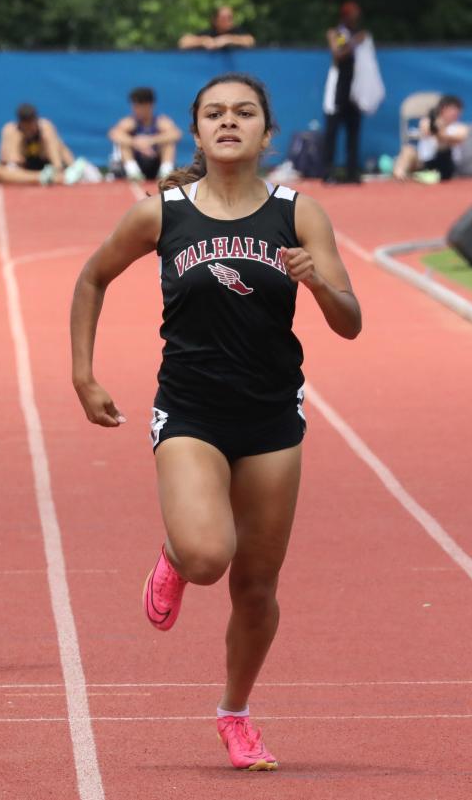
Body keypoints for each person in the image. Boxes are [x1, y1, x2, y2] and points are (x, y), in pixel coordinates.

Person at [70, 73, 361, 771]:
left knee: (256, 587)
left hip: (270, 418)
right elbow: (91, 278)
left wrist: (317, 280)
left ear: (268, 131)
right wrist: (83, 374)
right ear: (196, 131)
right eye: (214, 113)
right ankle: (173, 556)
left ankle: (235, 711)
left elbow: (350, 322)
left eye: (244, 113)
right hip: (192, 410)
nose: (229, 122)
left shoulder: (299, 213)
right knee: (207, 554)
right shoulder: (162, 213)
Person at [321, 1, 384, 184]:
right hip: (339, 88)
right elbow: (337, 54)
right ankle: (328, 172)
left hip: (356, 90)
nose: (355, 20)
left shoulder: (361, 35)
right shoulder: (337, 33)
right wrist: (355, 42)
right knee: (332, 131)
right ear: (345, 16)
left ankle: (351, 172)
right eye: (352, 15)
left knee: (353, 131)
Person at [0, 103, 85, 184]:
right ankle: (50, 176)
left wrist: (58, 167)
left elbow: (57, 151)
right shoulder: (11, 131)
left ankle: (71, 170)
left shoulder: (45, 127)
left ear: (36, 120)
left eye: (31, 125)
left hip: (46, 165)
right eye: (26, 126)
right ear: (20, 123)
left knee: (56, 141)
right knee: (10, 167)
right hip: (25, 169)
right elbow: (9, 162)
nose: (29, 130)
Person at [108, 87, 181, 181]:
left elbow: (176, 134)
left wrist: (150, 141)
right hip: (137, 162)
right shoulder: (130, 122)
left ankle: (165, 172)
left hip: (155, 163)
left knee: (169, 143)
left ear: (149, 106)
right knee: (123, 144)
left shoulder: (160, 121)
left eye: (138, 106)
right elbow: (114, 134)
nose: (135, 110)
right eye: (134, 106)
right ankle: (133, 173)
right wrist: (135, 142)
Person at [393, 95, 468, 182]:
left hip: (445, 165)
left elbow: (458, 138)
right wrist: (436, 125)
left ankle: (429, 175)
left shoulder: (460, 128)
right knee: (408, 150)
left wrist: (440, 132)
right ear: (442, 109)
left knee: (443, 146)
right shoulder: (427, 122)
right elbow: (425, 129)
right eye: (451, 109)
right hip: (424, 162)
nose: (454, 113)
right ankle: (399, 174)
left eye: (456, 110)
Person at [178, 6, 256, 50]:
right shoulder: (210, 32)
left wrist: (228, 39)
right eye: (223, 18)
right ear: (215, 20)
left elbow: (250, 41)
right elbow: (183, 42)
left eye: (230, 18)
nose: (227, 21)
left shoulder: (237, 31)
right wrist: (203, 41)